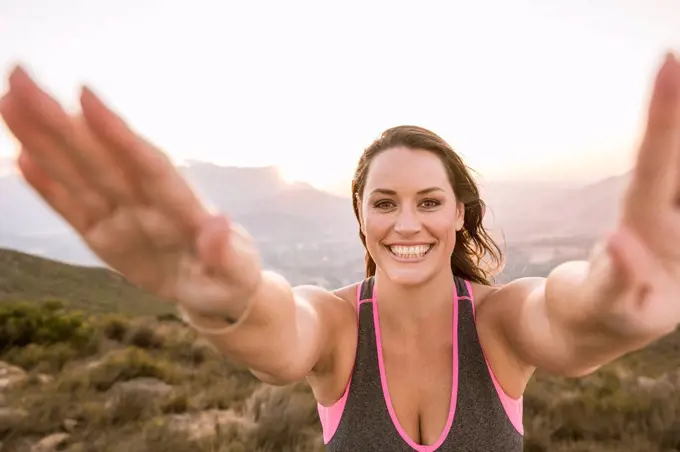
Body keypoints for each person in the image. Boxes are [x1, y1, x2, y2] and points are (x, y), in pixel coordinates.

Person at [1, 52, 680, 452]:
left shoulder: (499, 322)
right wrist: (228, 303)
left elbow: (564, 317)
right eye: (383, 202)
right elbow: (279, 335)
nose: (406, 222)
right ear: (360, 218)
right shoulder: (333, 324)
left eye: (429, 201)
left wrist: (611, 310)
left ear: (461, 214)